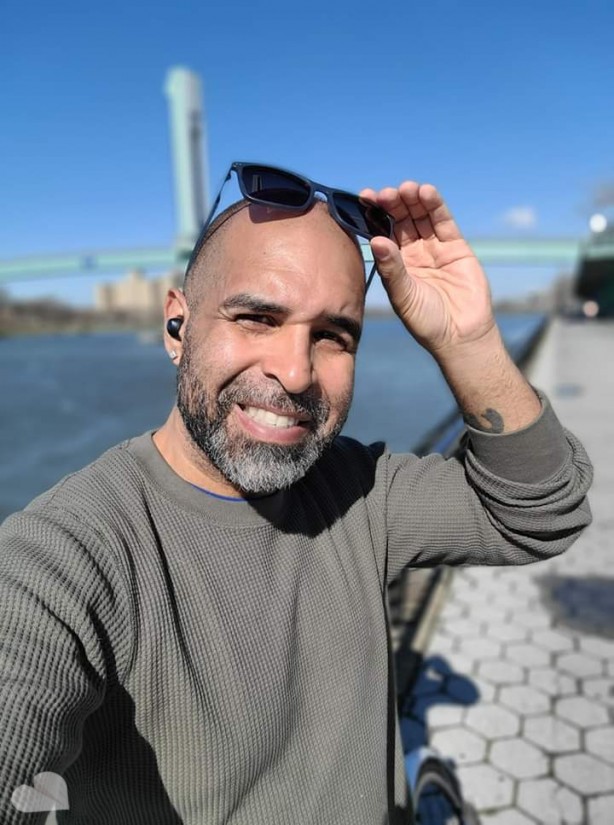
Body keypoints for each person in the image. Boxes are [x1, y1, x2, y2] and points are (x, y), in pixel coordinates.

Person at [0, 165, 592, 825]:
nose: (295, 371)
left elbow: (541, 509)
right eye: (257, 317)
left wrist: (467, 343)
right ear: (177, 326)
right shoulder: (68, 552)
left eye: (333, 335)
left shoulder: (357, 490)